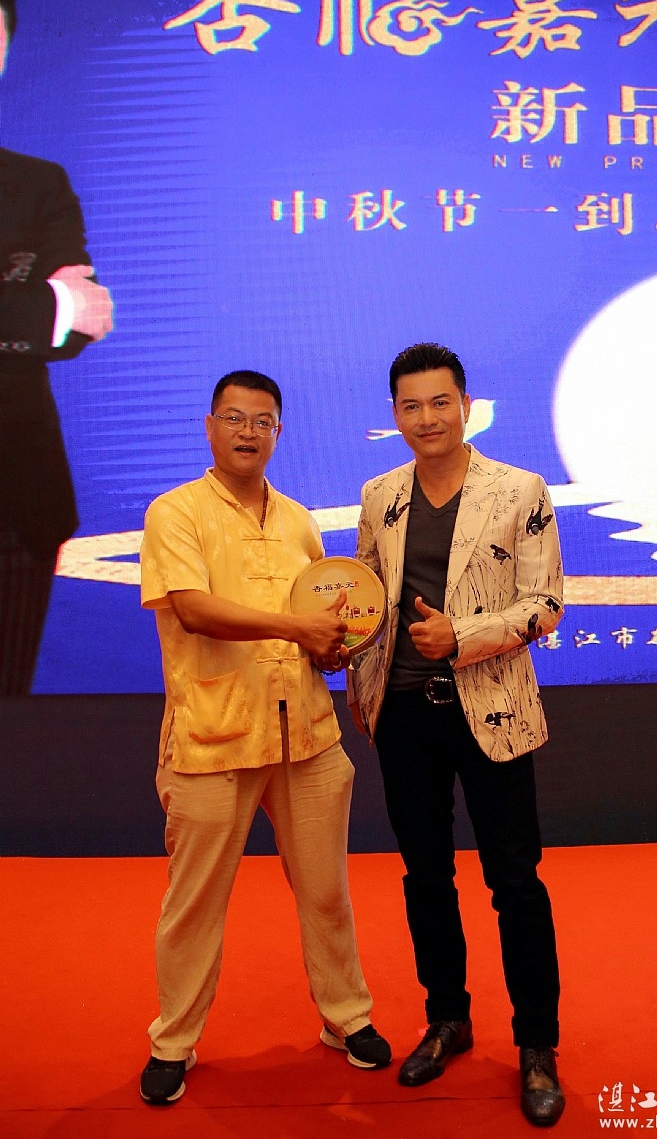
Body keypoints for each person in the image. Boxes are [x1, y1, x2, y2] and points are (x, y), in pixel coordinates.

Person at [138, 369, 391, 1106]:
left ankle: (347, 1017)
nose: (248, 432)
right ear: (210, 426)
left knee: (326, 892)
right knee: (194, 904)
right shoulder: (174, 513)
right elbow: (192, 609)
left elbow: (319, 620)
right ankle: (173, 1042)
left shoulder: (299, 522)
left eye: (263, 421)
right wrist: (295, 627)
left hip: (307, 736)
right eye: (235, 418)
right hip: (212, 737)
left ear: (278, 432)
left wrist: (331, 646)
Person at [346, 343, 565, 1126]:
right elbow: (366, 601)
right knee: (425, 877)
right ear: (395, 414)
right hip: (404, 715)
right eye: (411, 406)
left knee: (516, 882)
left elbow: (545, 605)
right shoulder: (380, 495)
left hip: (492, 710)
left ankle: (537, 1045)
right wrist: (350, 666)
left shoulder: (519, 489)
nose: (427, 418)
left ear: (466, 407)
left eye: (440, 403)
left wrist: (461, 636)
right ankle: (447, 1019)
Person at [0, 0, 114, 694]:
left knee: (8, 718)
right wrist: (43, 306)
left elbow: (85, 319)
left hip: (16, 503)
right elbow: (59, 315)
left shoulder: (37, 185)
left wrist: (54, 310)